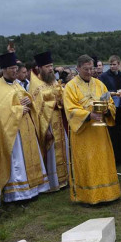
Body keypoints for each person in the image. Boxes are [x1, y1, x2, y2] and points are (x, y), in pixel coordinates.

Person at [0, 52, 50, 202]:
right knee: (18, 160)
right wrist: (18, 110)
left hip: (27, 126)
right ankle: (19, 194)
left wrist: (29, 102)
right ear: (4, 69)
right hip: (13, 132)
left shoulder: (17, 84)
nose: (15, 71)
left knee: (29, 157)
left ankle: (33, 188)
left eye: (15, 67)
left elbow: (26, 98)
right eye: (11, 68)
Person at [62, 55, 120, 204]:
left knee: (103, 160)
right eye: (86, 69)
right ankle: (88, 196)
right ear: (78, 68)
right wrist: (89, 115)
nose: (89, 72)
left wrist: (107, 111)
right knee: (87, 163)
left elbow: (111, 103)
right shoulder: (70, 87)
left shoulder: (100, 84)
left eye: (91, 68)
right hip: (83, 132)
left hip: (99, 130)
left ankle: (108, 193)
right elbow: (70, 110)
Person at [29, 51, 69, 191]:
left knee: (64, 149)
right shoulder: (35, 85)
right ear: (40, 68)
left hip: (59, 120)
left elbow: (62, 97)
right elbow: (37, 108)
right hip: (48, 124)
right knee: (51, 153)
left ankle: (65, 178)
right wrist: (54, 102)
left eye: (51, 66)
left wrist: (62, 98)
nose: (50, 69)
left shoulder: (53, 82)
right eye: (47, 66)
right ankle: (53, 183)